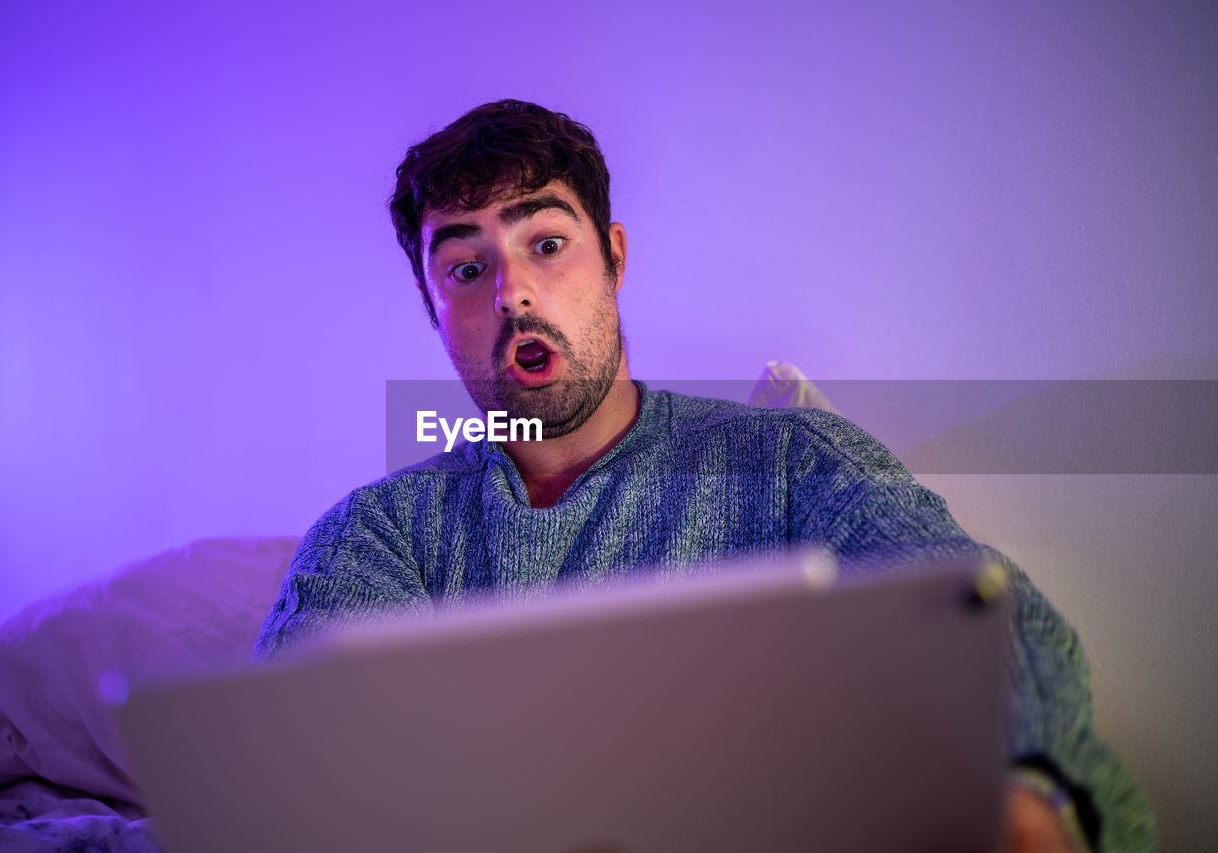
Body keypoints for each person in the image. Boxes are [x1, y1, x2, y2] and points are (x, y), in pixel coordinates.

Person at [254, 100, 1155, 852]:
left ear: (614, 257)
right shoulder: (377, 536)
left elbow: (974, 612)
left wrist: (1024, 790)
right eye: (465, 267)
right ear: (434, 312)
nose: (513, 293)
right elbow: (303, 778)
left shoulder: (789, 464)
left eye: (547, 245)